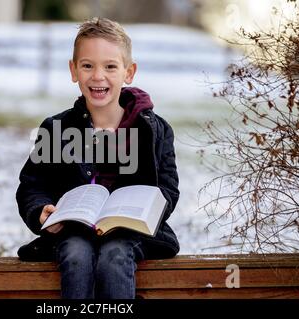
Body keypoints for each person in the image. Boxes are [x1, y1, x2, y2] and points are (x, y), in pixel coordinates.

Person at [16, 17, 180, 299]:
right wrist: (41, 209)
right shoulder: (56, 129)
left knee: (114, 254)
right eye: (87, 65)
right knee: (77, 252)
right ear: (73, 70)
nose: (98, 76)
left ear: (129, 72)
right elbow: (32, 185)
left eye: (110, 66)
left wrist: (143, 213)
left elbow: (168, 189)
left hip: (130, 234)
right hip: (73, 231)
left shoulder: (154, 130)